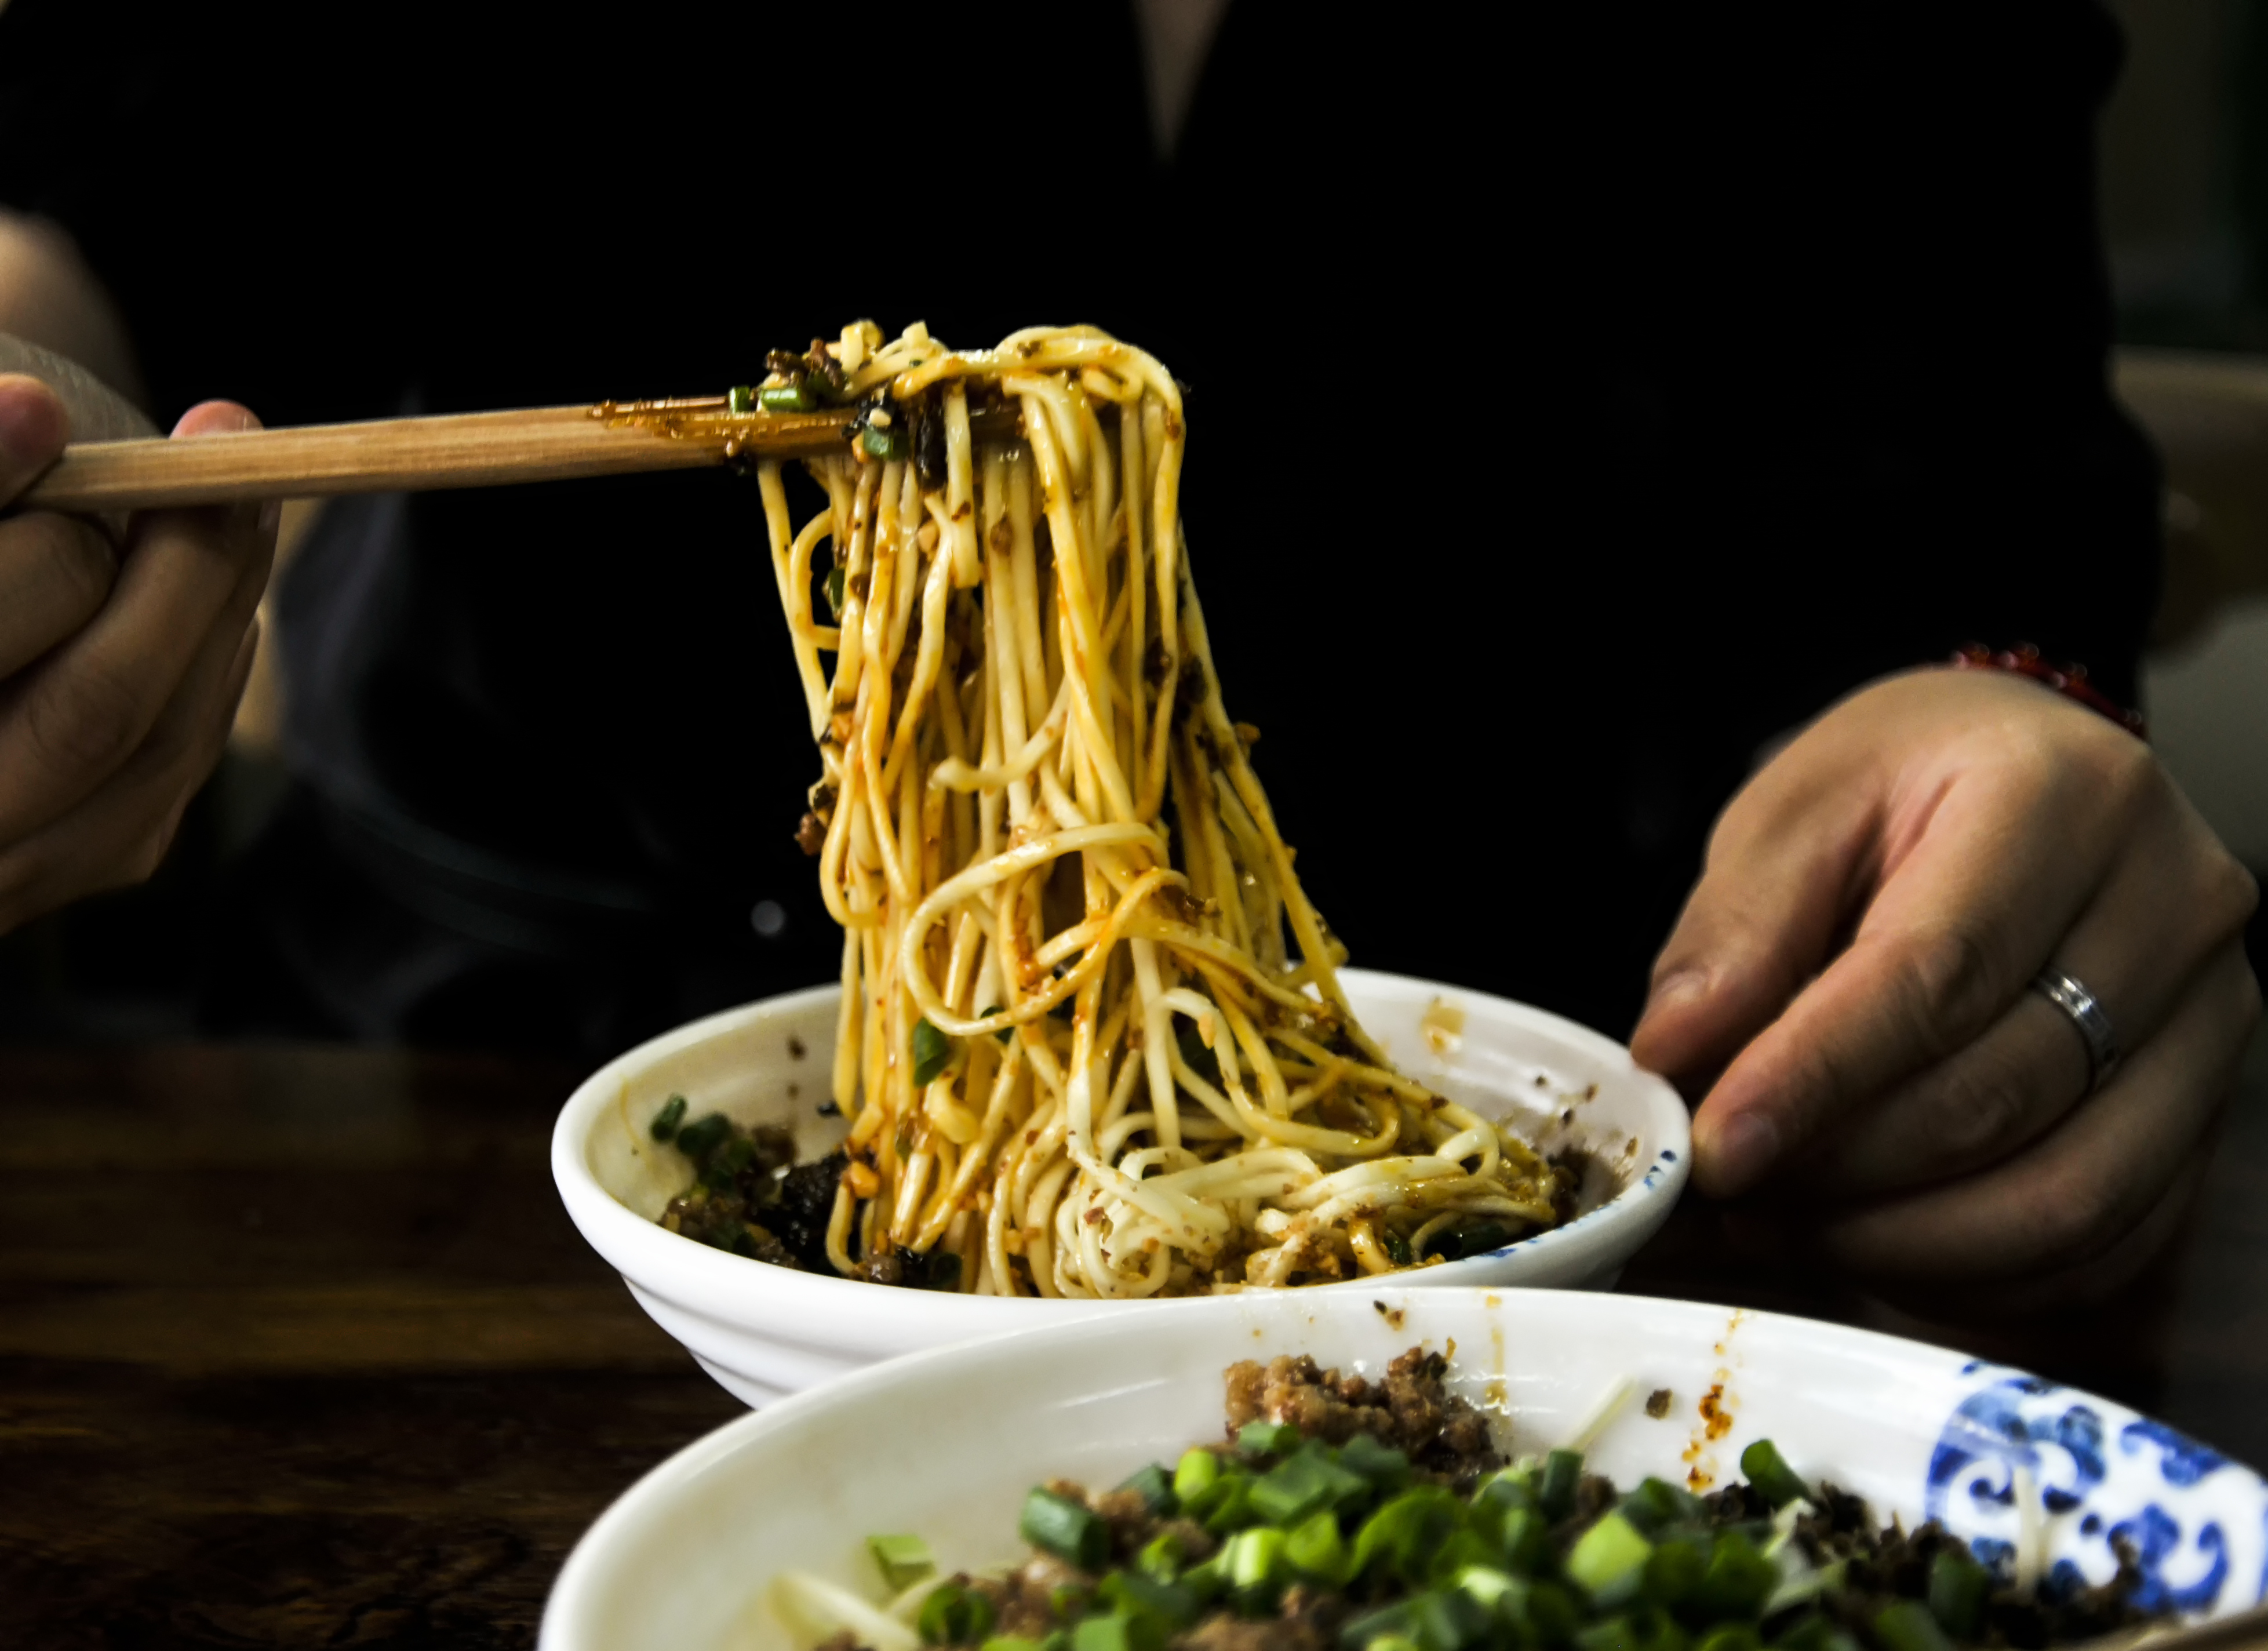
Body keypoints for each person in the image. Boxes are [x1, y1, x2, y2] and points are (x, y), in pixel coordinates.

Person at [0, 0, 2253, 1313]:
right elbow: (87, 199)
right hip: (436, 1179)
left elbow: (1987, 466)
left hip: (1605, 1197)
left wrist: (2007, 745)